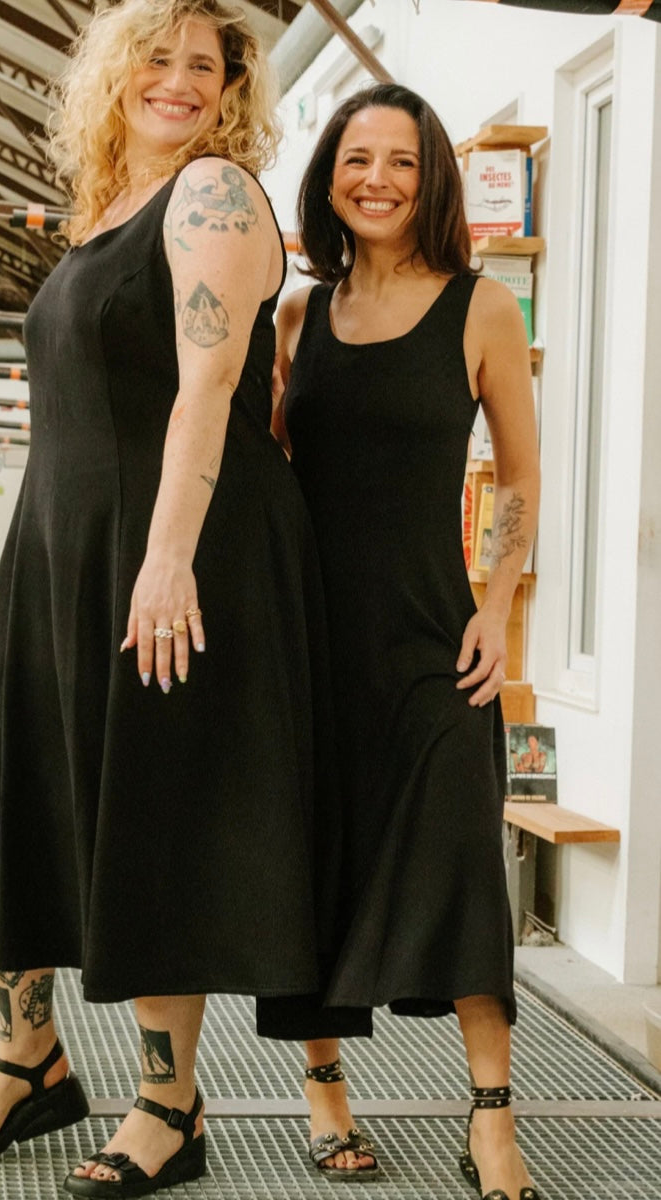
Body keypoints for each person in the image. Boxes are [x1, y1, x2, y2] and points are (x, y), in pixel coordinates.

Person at [0, 2, 335, 1195]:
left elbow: (208, 387)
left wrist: (165, 560)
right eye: (158, 58)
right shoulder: (105, 209)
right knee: (10, 796)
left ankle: (169, 1105)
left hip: (168, 547)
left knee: (149, 814)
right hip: (62, 544)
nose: (181, 80)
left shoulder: (213, 194)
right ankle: (32, 1061)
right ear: (114, 74)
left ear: (232, 90)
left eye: (206, 65)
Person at [268, 84, 542, 1200]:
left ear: (431, 180)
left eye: (401, 161)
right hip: (309, 639)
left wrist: (496, 605)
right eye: (356, 158)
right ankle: (326, 1097)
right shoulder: (297, 318)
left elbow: (517, 475)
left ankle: (492, 1119)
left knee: (463, 866)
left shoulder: (482, 309)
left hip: (435, 640)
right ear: (328, 176)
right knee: (313, 869)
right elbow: (267, 473)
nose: (376, 179)